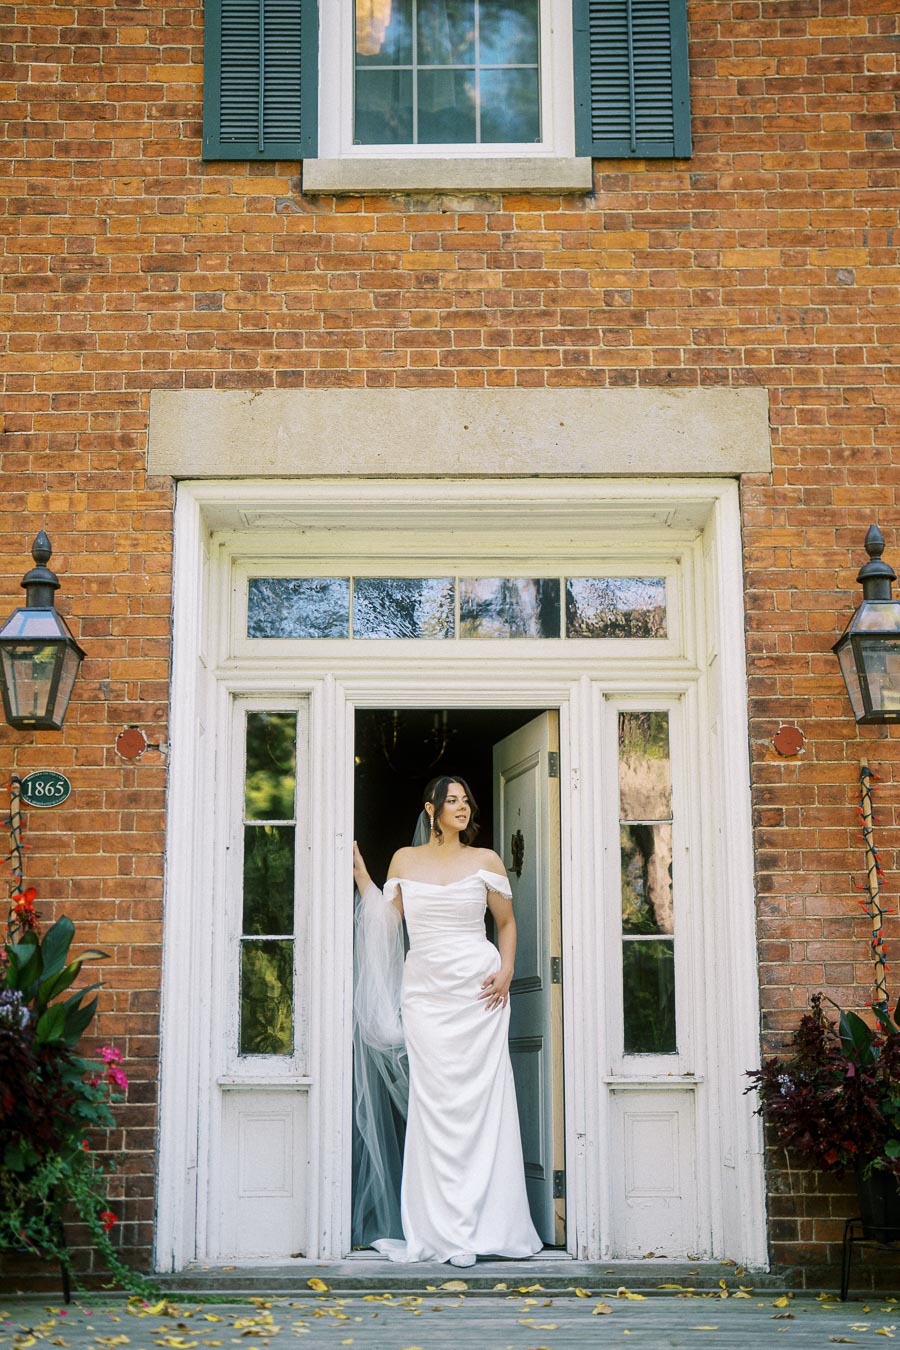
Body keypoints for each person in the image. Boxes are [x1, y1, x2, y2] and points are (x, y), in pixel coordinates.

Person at [352, 774, 542, 1267]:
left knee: (483, 1105)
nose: (461, 806)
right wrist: (362, 880)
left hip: (479, 996)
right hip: (426, 996)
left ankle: (487, 1227)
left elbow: (506, 923)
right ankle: (438, 1230)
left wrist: (506, 971)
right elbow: (388, 925)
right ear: (430, 809)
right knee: (433, 1106)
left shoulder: (486, 861)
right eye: (451, 800)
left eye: (465, 800)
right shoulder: (403, 860)